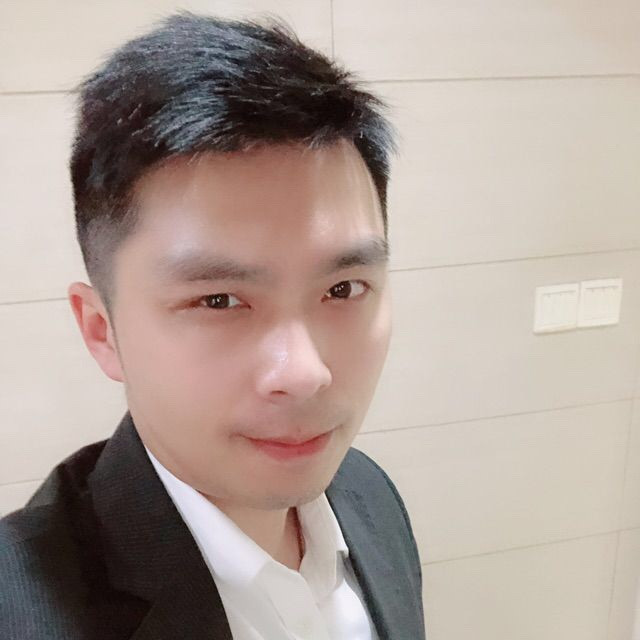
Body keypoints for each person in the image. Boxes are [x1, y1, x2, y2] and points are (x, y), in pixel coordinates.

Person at [0, 11, 425, 640]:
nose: (304, 373)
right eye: (220, 301)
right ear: (101, 330)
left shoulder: (369, 495)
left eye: (342, 289)